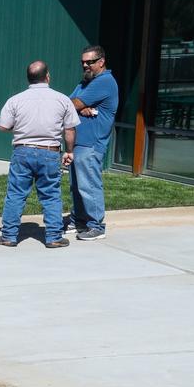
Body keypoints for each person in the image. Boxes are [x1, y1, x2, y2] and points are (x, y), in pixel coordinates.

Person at [0, 60, 80, 248]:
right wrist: (69, 151)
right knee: (51, 195)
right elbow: (70, 129)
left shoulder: (15, 100)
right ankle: (53, 237)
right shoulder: (62, 99)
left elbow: (3, 126)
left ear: (29, 79)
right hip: (49, 152)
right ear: (47, 76)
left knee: (16, 194)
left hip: (22, 151)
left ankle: (9, 236)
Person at [65, 45, 119, 241]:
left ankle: (96, 226)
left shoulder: (104, 82)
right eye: (83, 62)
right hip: (78, 143)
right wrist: (80, 108)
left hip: (91, 144)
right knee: (76, 185)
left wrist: (78, 106)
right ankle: (79, 220)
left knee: (89, 186)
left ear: (101, 62)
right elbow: (67, 103)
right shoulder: (85, 83)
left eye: (90, 62)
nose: (85, 65)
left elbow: (72, 104)